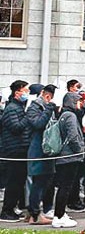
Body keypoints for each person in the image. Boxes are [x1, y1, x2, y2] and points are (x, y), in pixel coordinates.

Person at [52, 92, 85, 228]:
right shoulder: (70, 116)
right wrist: (79, 150)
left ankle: (60, 213)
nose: (80, 104)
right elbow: (73, 136)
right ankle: (59, 216)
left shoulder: (64, 115)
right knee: (65, 187)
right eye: (78, 101)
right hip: (70, 157)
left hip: (65, 156)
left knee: (64, 186)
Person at [0, 80, 31, 223]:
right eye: (26, 90)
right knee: (13, 182)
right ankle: (7, 211)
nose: (27, 93)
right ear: (17, 92)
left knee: (18, 182)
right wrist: (27, 116)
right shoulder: (12, 108)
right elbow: (16, 127)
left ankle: (12, 209)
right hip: (14, 150)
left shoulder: (19, 107)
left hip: (21, 148)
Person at [26, 84, 57, 225]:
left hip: (46, 150)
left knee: (44, 181)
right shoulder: (34, 107)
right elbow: (38, 124)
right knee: (38, 182)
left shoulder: (43, 107)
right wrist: (49, 108)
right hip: (38, 150)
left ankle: (33, 213)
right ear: (47, 95)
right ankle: (34, 214)